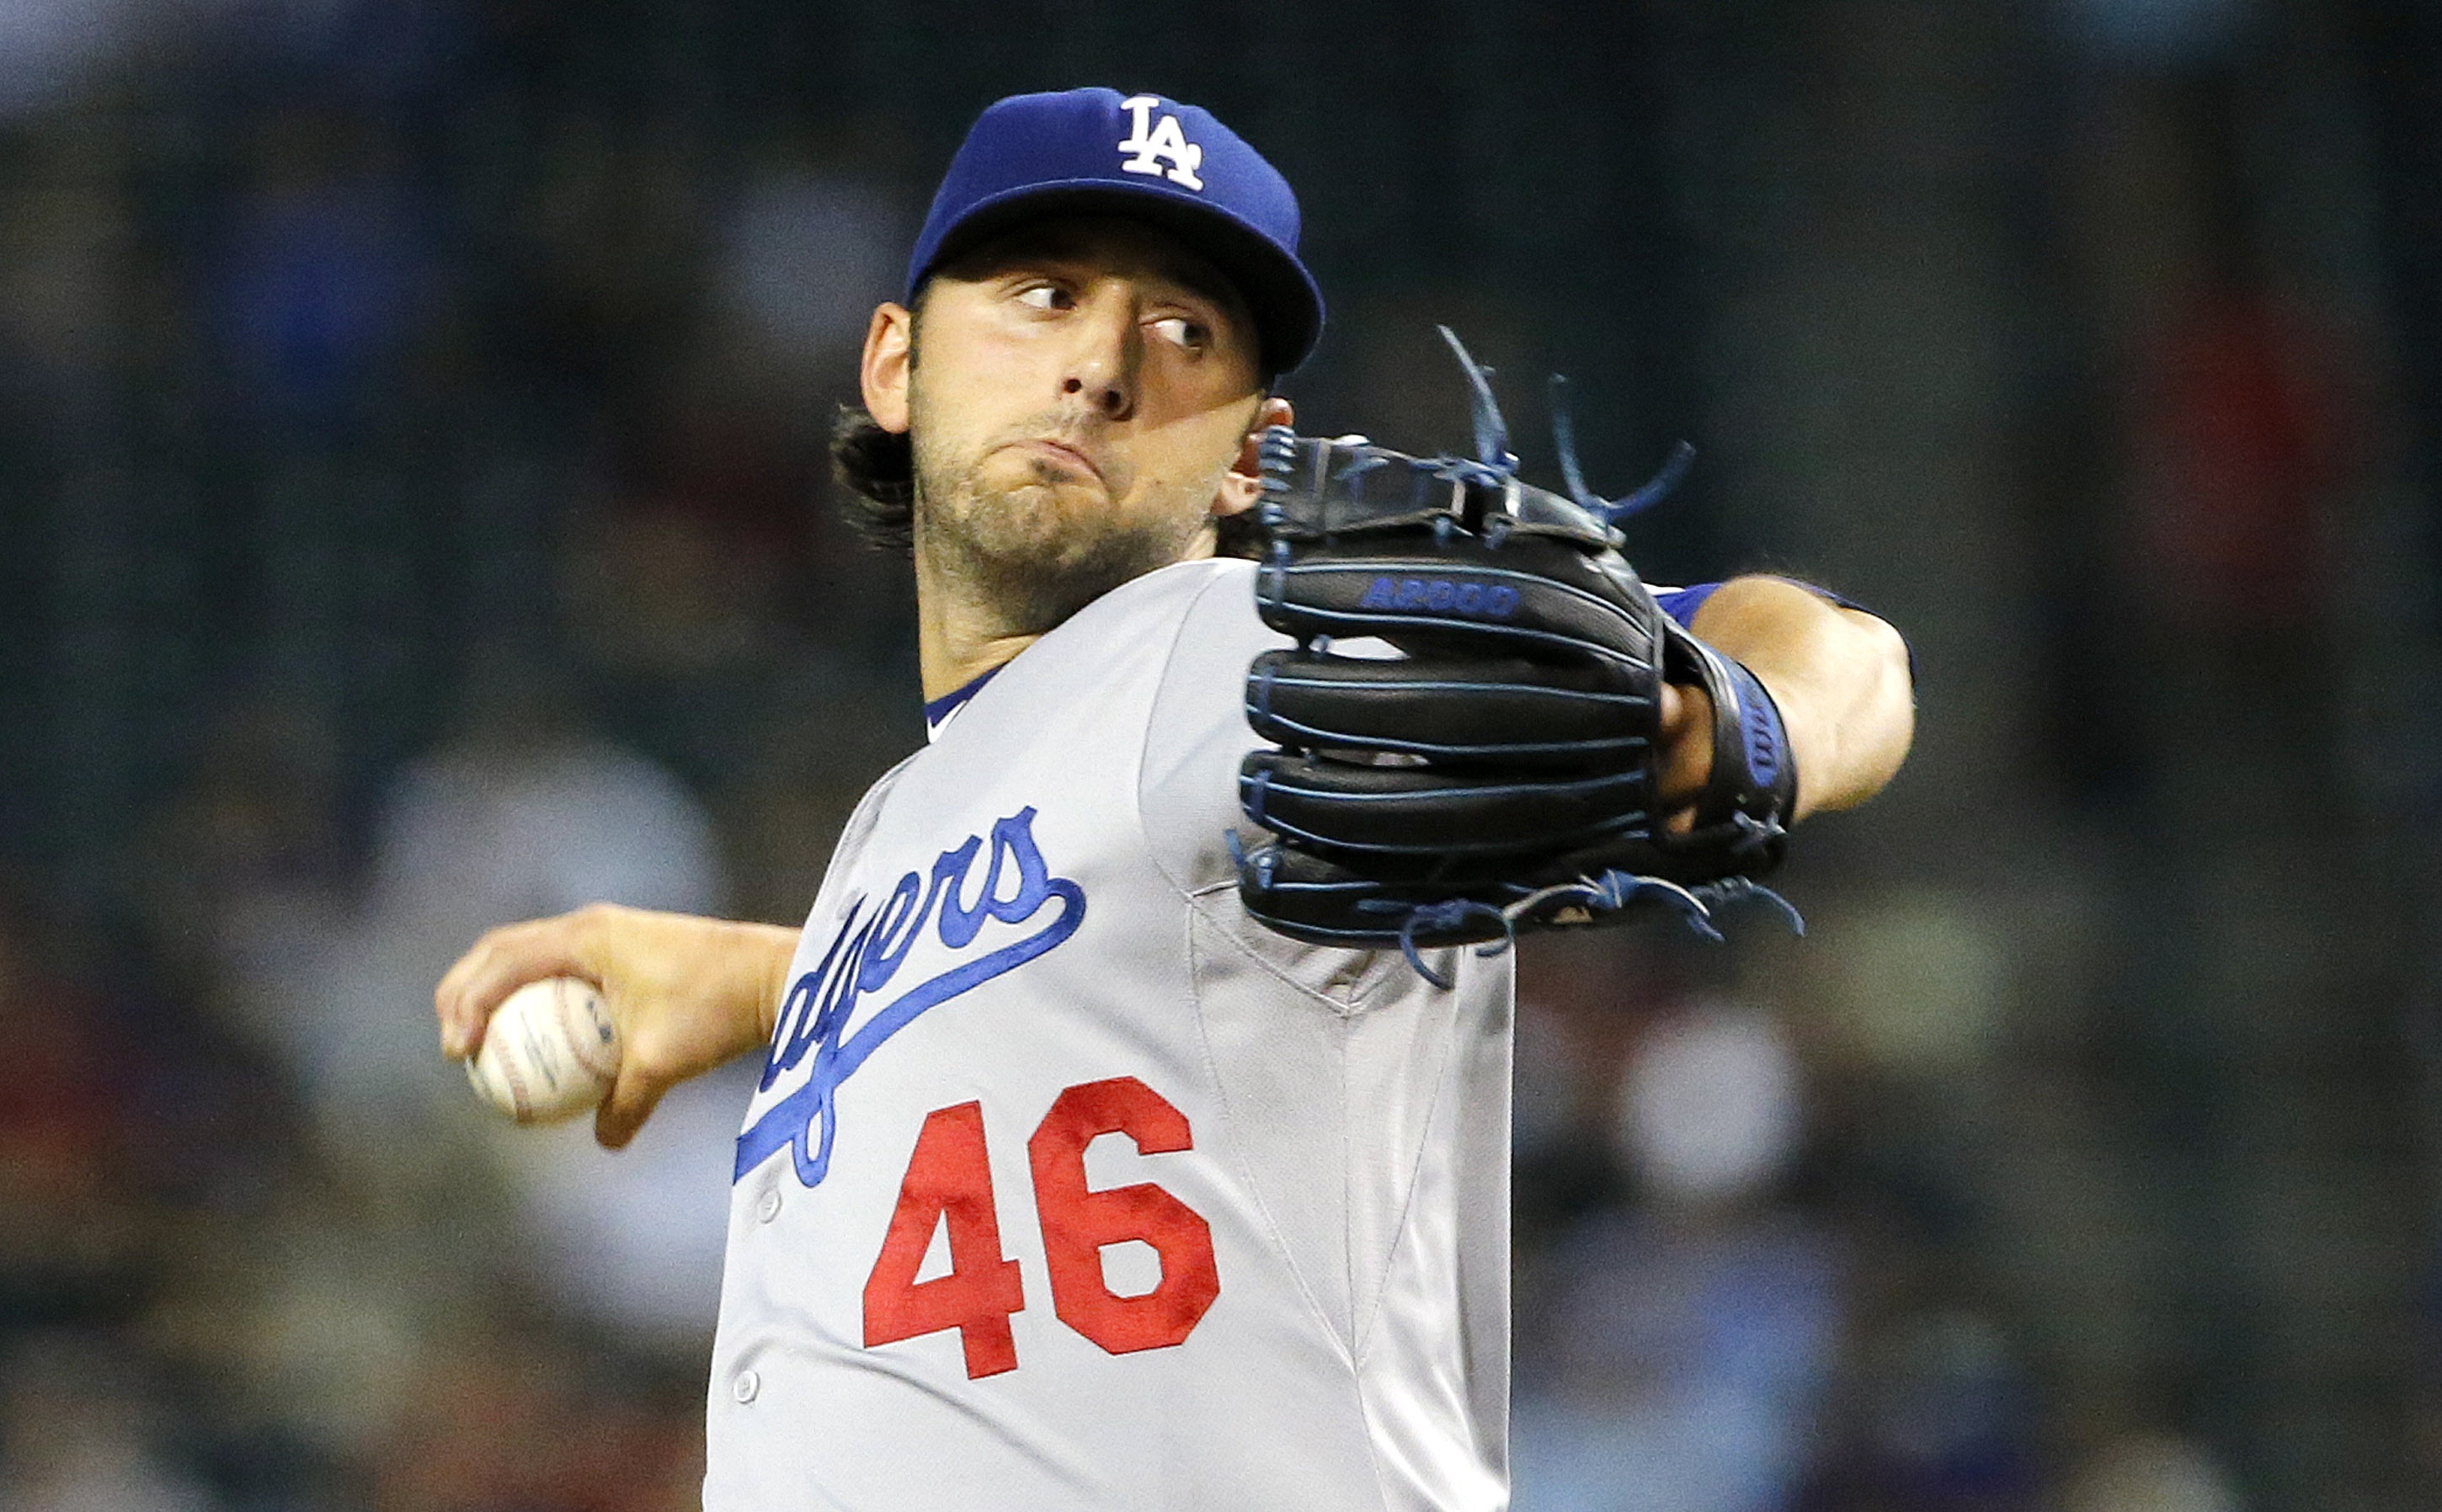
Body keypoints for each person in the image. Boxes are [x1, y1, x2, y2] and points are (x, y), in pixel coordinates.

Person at [435, 87, 1914, 1510]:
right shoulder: (897, 826)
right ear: (895, 364)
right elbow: (1111, 952)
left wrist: (1752, 724)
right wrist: (779, 977)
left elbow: (1842, 652)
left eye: (1184, 331)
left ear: (1249, 461)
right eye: (1041, 294)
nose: (1101, 364)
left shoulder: (1244, 654)